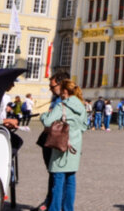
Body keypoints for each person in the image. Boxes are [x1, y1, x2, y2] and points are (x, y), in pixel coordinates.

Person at [41, 78, 88, 211]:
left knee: (58, 179)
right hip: (75, 147)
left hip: (61, 146)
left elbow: (48, 122)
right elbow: (84, 126)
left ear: (65, 91)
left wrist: (43, 116)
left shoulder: (62, 106)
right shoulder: (81, 106)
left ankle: (55, 208)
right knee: (71, 179)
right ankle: (68, 208)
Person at [37, 71, 71, 211]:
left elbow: (50, 119)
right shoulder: (57, 98)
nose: (51, 89)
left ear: (61, 84)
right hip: (52, 138)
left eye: (52, 86)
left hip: (56, 139)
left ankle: (52, 203)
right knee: (54, 173)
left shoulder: (63, 101)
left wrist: (46, 116)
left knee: (57, 174)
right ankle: (51, 201)